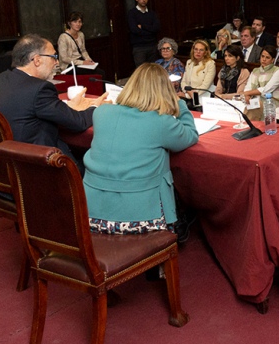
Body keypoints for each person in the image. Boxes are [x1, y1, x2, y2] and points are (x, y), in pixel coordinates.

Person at [84, 63, 198, 235]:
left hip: (89, 213)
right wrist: (179, 104)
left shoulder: (101, 112)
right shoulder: (161, 121)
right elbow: (190, 135)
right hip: (139, 217)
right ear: (164, 91)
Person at [0, 34, 105, 172]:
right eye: (54, 57)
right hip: (39, 167)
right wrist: (96, 106)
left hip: (7, 162)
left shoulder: (3, 78)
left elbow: (30, 108)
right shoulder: (39, 89)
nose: (56, 62)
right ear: (37, 60)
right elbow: (78, 122)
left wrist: (67, 107)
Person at [128, 0, 161, 67]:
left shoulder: (152, 13)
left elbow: (157, 28)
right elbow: (135, 30)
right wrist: (150, 30)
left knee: (153, 69)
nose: (144, 0)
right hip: (139, 47)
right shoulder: (132, 13)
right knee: (141, 71)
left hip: (152, 45)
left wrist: (143, 26)